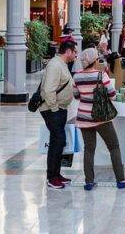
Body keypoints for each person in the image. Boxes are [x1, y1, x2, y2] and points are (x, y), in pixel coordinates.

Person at [73, 47, 125, 191]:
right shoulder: (102, 75)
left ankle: (89, 181)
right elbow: (112, 95)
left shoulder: (77, 76)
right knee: (113, 146)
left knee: (89, 149)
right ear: (95, 61)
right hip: (101, 117)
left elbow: (76, 96)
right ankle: (120, 179)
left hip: (83, 117)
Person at [40, 39, 76, 190]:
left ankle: (56, 174)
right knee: (57, 141)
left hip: (60, 108)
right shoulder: (55, 65)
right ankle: (51, 177)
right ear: (68, 51)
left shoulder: (62, 64)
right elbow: (48, 90)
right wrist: (54, 109)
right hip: (52, 109)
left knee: (58, 141)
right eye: (74, 51)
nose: (76, 54)